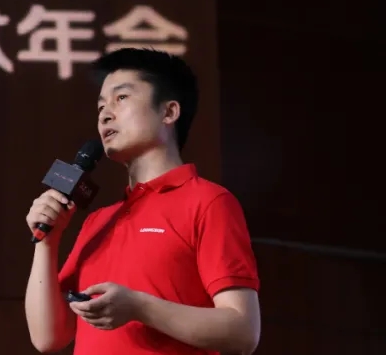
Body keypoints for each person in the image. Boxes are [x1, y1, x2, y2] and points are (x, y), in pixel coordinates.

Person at [23, 48, 261, 355]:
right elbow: (47, 338)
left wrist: (139, 307)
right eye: (101, 106)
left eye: (121, 98)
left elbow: (243, 331)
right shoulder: (98, 221)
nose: (105, 114)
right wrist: (48, 242)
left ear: (169, 112)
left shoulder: (208, 201)